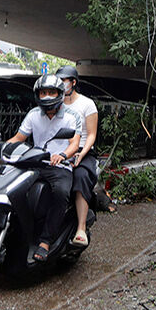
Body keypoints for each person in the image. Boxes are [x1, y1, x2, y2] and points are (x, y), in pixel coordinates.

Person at [0, 74, 80, 261]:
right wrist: (1, 145)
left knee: (61, 193)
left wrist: (62, 155)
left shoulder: (72, 116)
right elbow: (19, 137)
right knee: (13, 189)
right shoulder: (33, 114)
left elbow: (74, 144)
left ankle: (45, 241)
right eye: (43, 92)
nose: (47, 96)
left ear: (60, 93)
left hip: (59, 166)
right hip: (34, 162)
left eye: (51, 92)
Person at [56, 65, 98, 247]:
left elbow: (91, 134)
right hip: (58, 150)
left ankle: (81, 228)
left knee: (81, 176)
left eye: (64, 81)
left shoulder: (87, 104)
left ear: (73, 82)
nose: (61, 84)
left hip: (82, 150)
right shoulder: (54, 103)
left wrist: (81, 153)